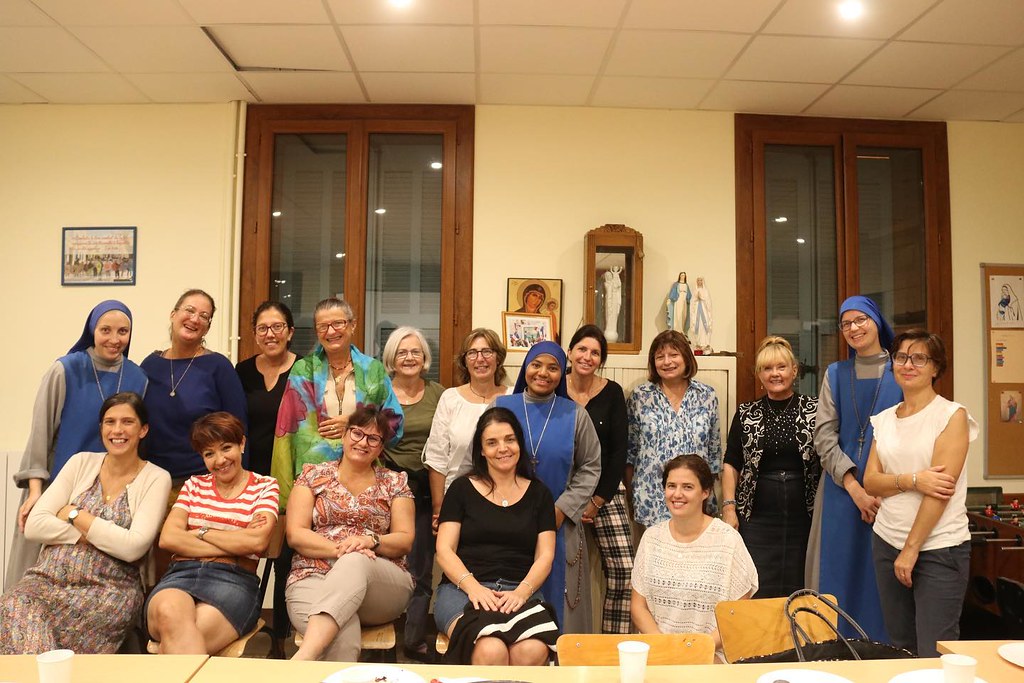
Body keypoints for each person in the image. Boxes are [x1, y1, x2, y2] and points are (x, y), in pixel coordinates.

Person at [0, 392, 172, 654]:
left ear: (143, 430)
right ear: (101, 428)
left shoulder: (156, 478)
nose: (117, 430)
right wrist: (97, 536)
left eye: (127, 422)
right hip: (46, 580)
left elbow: (133, 547)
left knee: (34, 627)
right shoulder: (80, 462)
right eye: (110, 422)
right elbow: (35, 525)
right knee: (14, 603)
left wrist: (75, 515)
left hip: (109, 590)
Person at [6, 300, 149, 587]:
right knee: (35, 575)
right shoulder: (65, 369)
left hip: (109, 495)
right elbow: (41, 433)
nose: (114, 339)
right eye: (105, 330)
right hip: (56, 485)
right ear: (92, 330)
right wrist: (35, 492)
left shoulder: (138, 378)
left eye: (123, 331)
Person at [864, 330, 977, 657]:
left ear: (936, 367)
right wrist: (914, 480)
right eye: (901, 357)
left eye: (919, 358)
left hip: (939, 548)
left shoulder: (951, 416)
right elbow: (871, 482)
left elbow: (939, 490)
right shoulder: (884, 420)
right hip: (886, 541)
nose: (908, 365)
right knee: (901, 649)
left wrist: (911, 550)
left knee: (934, 651)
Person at [285, 403, 413, 662]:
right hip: (312, 576)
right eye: (357, 433)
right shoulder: (313, 475)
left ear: (381, 447)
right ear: (344, 435)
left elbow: (404, 539)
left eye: (373, 438)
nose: (363, 442)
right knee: (342, 635)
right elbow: (295, 534)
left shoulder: (394, 482)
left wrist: (370, 541)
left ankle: (301, 660)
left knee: (356, 560)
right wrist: (342, 549)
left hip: (381, 584)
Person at [807, 295, 902, 641]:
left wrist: (879, 487)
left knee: (882, 583)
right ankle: (832, 653)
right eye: (846, 323)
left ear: (877, 321)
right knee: (836, 576)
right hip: (840, 489)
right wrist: (855, 488)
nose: (853, 328)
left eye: (860, 319)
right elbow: (823, 436)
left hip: (891, 491)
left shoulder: (902, 371)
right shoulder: (835, 374)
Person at [146, 412, 279, 654]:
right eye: (209, 454)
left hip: (234, 580)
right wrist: (237, 540)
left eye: (226, 448)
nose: (220, 460)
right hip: (181, 574)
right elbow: (168, 538)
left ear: (242, 444)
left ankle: (165, 665)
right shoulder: (193, 485)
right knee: (169, 612)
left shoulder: (265, 486)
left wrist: (200, 531)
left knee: (180, 637)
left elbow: (257, 542)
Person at [434, 407, 558, 665]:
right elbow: (444, 550)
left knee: (532, 650)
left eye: (509, 439)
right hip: (463, 590)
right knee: (491, 650)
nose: (503, 448)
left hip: (521, 591)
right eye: (492, 442)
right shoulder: (461, 488)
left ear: (519, 444)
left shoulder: (540, 494)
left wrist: (521, 592)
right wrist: (474, 588)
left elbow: (545, 556)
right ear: (481, 450)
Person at [494, 340, 601, 633]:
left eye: (553, 368)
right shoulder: (501, 407)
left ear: (561, 373)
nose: (543, 373)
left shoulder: (575, 414)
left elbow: (591, 466)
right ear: (525, 368)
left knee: (561, 607)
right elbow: (482, 458)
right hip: (506, 520)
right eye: (536, 365)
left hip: (558, 521)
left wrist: (562, 509)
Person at [271, 296, 403, 509]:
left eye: (338, 323)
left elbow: (394, 423)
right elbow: (288, 433)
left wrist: (353, 426)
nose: (331, 331)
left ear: (352, 325)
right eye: (323, 326)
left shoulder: (374, 370)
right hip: (313, 483)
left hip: (364, 480)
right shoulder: (303, 371)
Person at [631, 454, 757, 663]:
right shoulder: (651, 538)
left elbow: (738, 615)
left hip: (710, 656)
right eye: (671, 486)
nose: (677, 494)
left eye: (687, 487)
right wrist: (665, 647)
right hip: (659, 655)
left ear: (705, 492)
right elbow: (638, 607)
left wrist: (693, 650)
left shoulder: (728, 540)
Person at [722, 336, 821, 598]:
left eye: (781, 367)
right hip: (757, 519)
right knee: (757, 584)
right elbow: (732, 463)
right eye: (767, 368)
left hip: (805, 517)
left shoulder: (814, 409)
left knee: (801, 584)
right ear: (759, 374)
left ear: (794, 371)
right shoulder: (746, 413)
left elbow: (827, 460)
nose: (775, 374)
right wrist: (729, 508)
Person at [234, 300, 296, 650]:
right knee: (246, 555)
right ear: (254, 334)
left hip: (292, 480)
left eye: (277, 327)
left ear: (290, 332)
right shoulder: (241, 372)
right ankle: (238, 625)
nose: (270, 334)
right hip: (249, 479)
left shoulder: (304, 370)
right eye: (262, 328)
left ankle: (282, 641)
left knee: (287, 558)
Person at [380, 326, 445, 661]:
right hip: (384, 487)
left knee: (420, 567)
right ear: (392, 358)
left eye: (415, 352)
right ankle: (380, 641)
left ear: (424, 358)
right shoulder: (379, 392)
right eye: (402, 352)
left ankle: (415, 639)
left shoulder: (439, 394)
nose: (409, 357)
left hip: (425, 487)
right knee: (381, 563)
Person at [141, 288, 248, 483]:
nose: (195, 319)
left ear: (207, 328)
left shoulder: (219, 367)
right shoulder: (150, 365)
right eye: (189, 310)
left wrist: (238, 483)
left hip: (205, 481)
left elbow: (238, 430)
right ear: (173, 314)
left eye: (204, 316)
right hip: (153, 479)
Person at [565, 325, 633, 634]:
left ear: (601, 360)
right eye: (582, 349)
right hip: (563, 493)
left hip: (606, 491)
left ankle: (613, 644)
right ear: (570, 352)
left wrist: (597, 500)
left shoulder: (613, 392)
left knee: (625, 572)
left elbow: (619, 451)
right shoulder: (555, 387)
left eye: (595, 353)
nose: (587, 357)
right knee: (558, 568)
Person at [627, 330, 721, 529]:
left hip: (696, 498)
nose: (667, 362)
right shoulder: (640, 397)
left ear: (686, 357)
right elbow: (631, 452)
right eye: (660, 357)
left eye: (674, 355)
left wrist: (707, 492)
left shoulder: (707, 396)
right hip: (651, 498)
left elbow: (714, 453)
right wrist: (631, 495)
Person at [424, 328, 511, 516]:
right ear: (464, 361)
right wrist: (439, 509)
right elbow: (437, 459)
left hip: (506, 499)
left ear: (498, 358)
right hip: (458, 500)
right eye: (472, 353)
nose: (480, 359)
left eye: (487, 351)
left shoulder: (513, 397)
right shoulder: (450, 399)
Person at [688, 276, 713, 351]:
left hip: (704, 311)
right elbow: (692, 302)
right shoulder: (695, 291)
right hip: (696, 311)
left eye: (701, 280)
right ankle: (698, 343)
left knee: (704, 326)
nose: (699, 282)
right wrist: (696, 298)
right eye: (698, 280)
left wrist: (702, 298)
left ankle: (705, 344)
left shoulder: (705, 291)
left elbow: (708, 302)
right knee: (698, 326)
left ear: (703, 281)